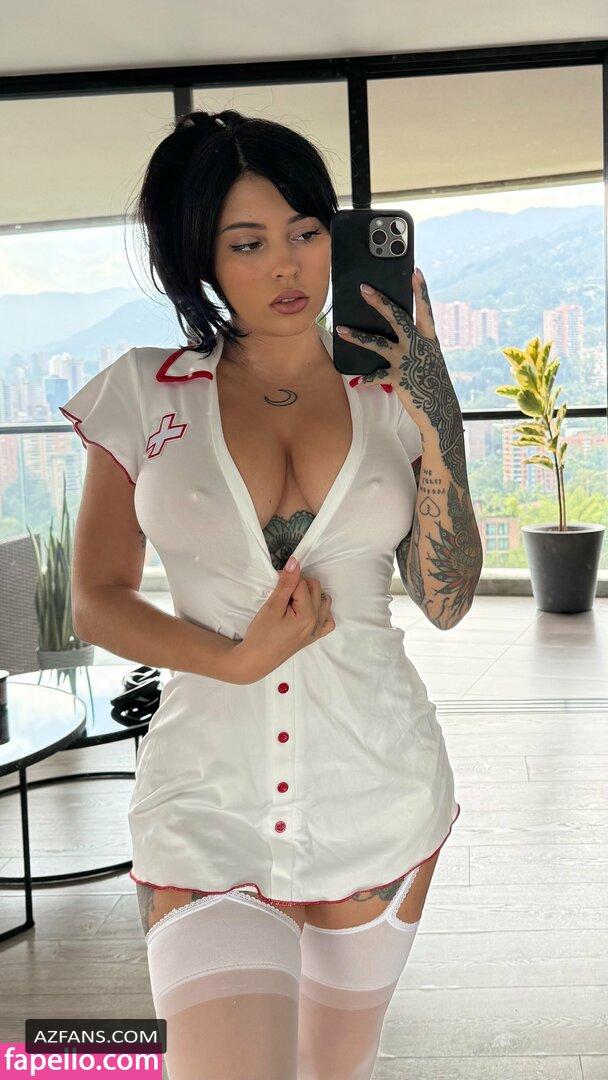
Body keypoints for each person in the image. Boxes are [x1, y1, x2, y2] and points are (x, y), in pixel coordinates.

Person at [61, 109, 461, 1080]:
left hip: (379, 791)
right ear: (199, 258)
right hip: (204, 799)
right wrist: (237, 660)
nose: (287, 265)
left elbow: (446, 599)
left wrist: (437, 412)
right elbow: (98, 599)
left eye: (306, 232)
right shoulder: (145, 392)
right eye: (247, 244)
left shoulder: (390, 396)